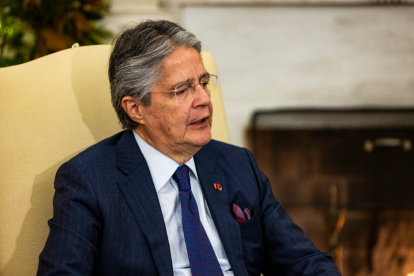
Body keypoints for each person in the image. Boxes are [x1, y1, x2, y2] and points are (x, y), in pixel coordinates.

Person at [37, 20, 341, 276]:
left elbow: (304, 261)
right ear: (135, 108)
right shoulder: (89, 180)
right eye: (182, 90)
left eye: (204, 83)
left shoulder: (237, 164)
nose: (204, 100)